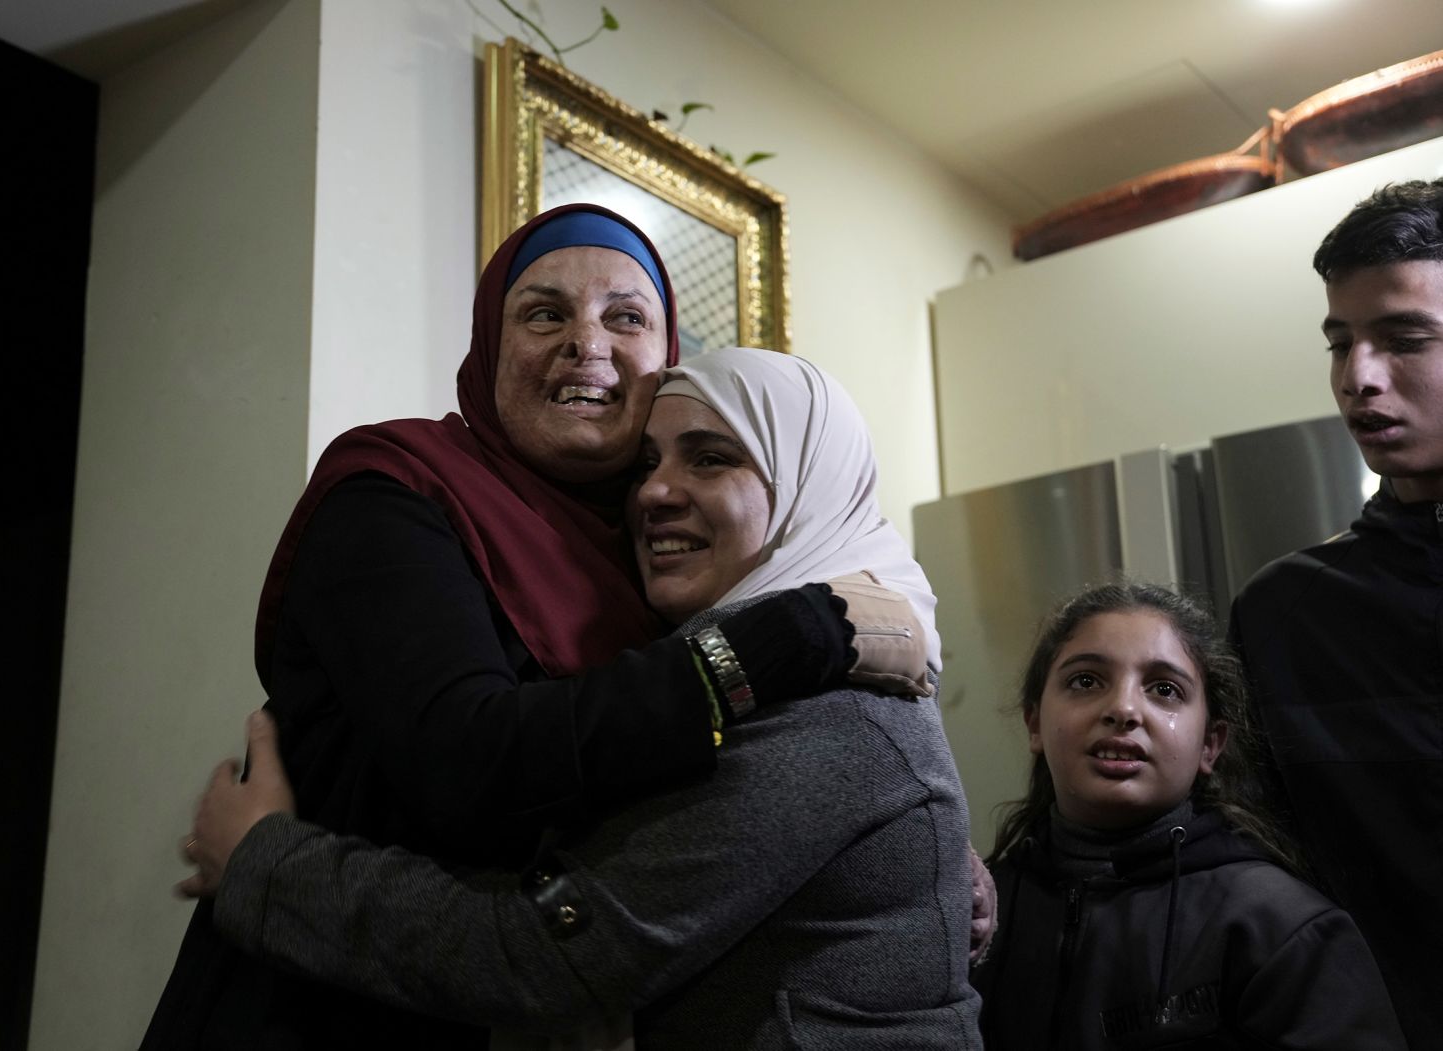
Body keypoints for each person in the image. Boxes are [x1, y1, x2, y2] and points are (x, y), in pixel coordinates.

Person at [143, 208, 939, 1048]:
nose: (586, 343)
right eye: (544, 313)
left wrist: (904, 856)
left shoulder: (659, 569)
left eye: (625, 316)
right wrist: (788, 637)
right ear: (491, 344)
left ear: (664, 361)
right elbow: (469, 765)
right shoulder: (393, 494)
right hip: (321, 1004)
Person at [971, 582, 1402, 1049]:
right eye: (1087, 681)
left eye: (1164, 689)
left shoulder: (1279, 928)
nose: (1123, 709)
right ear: (1034, 721)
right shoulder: (982, 916)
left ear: (1210, 744)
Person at [1227, 178, 1442, 1048]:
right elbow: (1228, 845)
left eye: (1404, 339)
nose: (1358, 377)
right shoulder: (1284, 614)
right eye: (1340, 342)